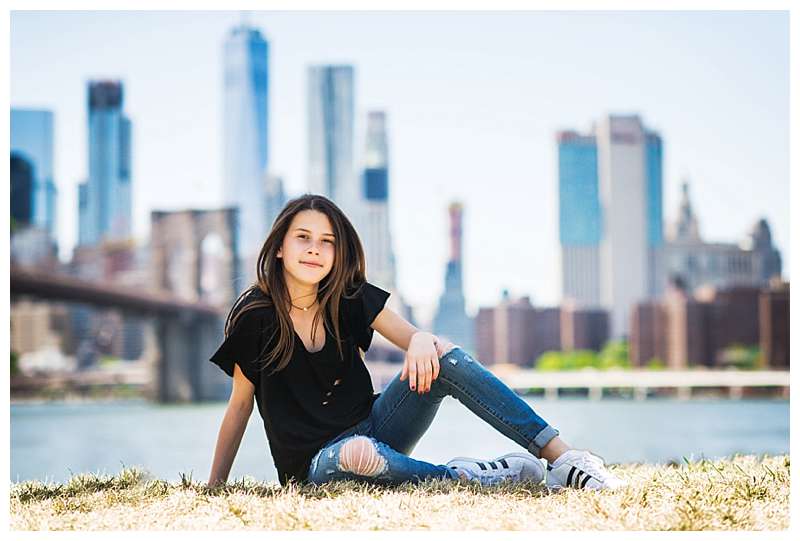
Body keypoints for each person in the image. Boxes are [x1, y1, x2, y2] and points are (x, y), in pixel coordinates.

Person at [207, 194, 627, 491]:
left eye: (327, 241)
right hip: (316, 467)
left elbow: (415, 337)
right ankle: (466, 477)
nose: (315, 249)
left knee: (445, 357)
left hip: (377, 428)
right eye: (303, 237)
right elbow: (240, 404)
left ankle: (565, 459)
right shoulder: (255, 317)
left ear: (338, 253)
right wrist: (215, 487)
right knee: (356, 452)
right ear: (279, 247)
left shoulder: (348, 296)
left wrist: (424, 341)